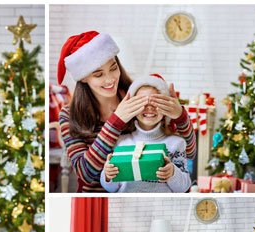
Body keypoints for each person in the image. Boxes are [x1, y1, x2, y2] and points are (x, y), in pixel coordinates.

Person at [56, 32, 196, 192]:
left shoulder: (138, 96)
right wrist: (116, 122)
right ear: (83, 78)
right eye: (99, 74)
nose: (110, 79)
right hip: (98, 198)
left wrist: (180, 116)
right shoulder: (69, 114)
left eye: (113, 68)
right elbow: (85, 174)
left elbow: (189, 152)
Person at [101, 75, 192, 193]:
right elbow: (111, 188)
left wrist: (173, 173)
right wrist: (108, 175)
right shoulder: (121, 142)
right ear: (132, 107)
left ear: (165, 107)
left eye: (155, 102)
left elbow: (184, 187)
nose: (149, 108)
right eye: (142, 102)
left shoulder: (176, 143)